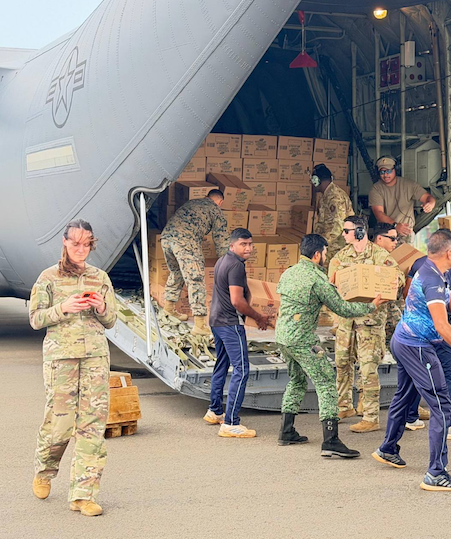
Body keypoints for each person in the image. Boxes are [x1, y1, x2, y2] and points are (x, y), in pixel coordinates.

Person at [372, 230, 451, 492]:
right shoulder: (432, 278)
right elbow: (442, 327)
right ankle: (435, 472)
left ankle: (388, 448)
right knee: (441, 404)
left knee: (404, 394)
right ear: (449, 252)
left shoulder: (438, 270)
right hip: (417, 347)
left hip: (404, 340)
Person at [29, 219, 117, 517]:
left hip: (94, 358)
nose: (82, 249)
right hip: (61, 358)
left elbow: (111, 320)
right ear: (65, 242)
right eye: (76, 243)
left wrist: (102, 307)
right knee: (59, 424)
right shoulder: (48, 278)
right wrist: (63, 308)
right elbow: (36, 319)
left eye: (87, 244)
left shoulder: (100, 277)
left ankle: (83, 494)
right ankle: (45, 469)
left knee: (92, 424)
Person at [275, 234, 386, 457]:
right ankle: (331, 440)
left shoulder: (290, 272)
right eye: (325, 253)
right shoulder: (318, 280)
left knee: (296, 380)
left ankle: (286, 431)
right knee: (326, 382)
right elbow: (343, 309)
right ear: (317, 255)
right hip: (302, 340)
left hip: (282, 337)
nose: (326, 257)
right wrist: (372, 306)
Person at [329, 216, 405, 433]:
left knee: (368, 368)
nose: (343, 235)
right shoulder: (341, 256)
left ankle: (371, 416)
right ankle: (344, 406)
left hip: (370, 322)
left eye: (347, 231)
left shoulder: (380, 255)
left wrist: (380, 282)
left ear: (360, 232)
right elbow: (331, 281)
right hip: (346, 321)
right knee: (342, 363)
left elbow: (398, 278)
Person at [403, 228, 451, 438]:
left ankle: (409, 419)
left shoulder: (420, 264)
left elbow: (406, 292)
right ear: (449, 251)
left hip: (411, 335)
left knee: (410, 379)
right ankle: (448, 423)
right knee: (448, 371)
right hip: (435, 332)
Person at [204, 228, 269, 438]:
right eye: (243, 244)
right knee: (242, 370)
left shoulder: (223, 260)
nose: (248, 248)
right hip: (230, 323)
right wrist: (259, 317)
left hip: (216, 320)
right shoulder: (235, 266)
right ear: (232, 245)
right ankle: (231, 422)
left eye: (250, 244)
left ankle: (215, 411)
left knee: (221, 364)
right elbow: (236, 301)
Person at [161, 189, 228, 336]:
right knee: (195, 280)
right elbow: (221, 240)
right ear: (220, 202)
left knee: (176, 272)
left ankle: (168, 309)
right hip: (186, 242)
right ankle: (199, 325)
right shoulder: (215, 210)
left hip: (166, 238)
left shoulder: (192, 202)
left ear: (206, 197)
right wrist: (228, 264)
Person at [369, 156, 436, 245]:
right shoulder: (376, 189)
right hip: (386, 234)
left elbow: (428, 198)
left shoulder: (409, 184)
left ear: (395, 170)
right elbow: (379, 214)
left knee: (407, 258)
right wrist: (395, 225)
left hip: (406, 234)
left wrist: (430, 204)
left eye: (388, 171)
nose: (385, 175)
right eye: (382, 172)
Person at [311, 163, 354, 266]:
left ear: (316, 180)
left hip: (336, 248)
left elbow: (338, 226)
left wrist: (321, 243)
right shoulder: (324, 197)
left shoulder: (335, 197)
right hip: (328, 247)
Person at [372, 223, 403, 356]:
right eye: (392, 239)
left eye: (396, 239)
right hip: (373, 311)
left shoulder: (387, 256)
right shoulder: (369, 255)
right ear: (379, 238)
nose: (395, 242)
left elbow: (400, 278)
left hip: (387, 307)